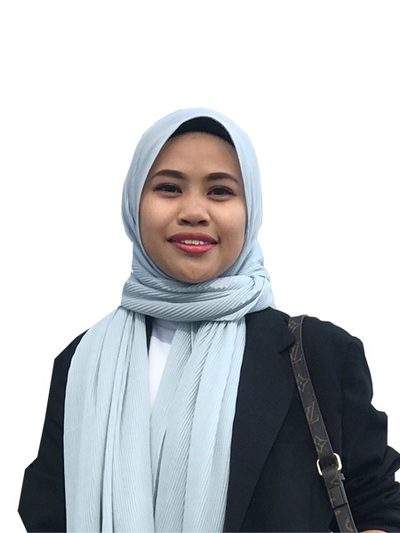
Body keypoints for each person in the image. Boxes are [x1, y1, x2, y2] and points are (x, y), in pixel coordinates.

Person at [19, 108, 400, 533]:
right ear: (133, 204)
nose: (194, 211)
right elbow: (47, 510)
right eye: (168, 188)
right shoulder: (82, 363)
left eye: (220, 191)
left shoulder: (318, 354)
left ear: (251, 208)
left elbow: (377, 503)